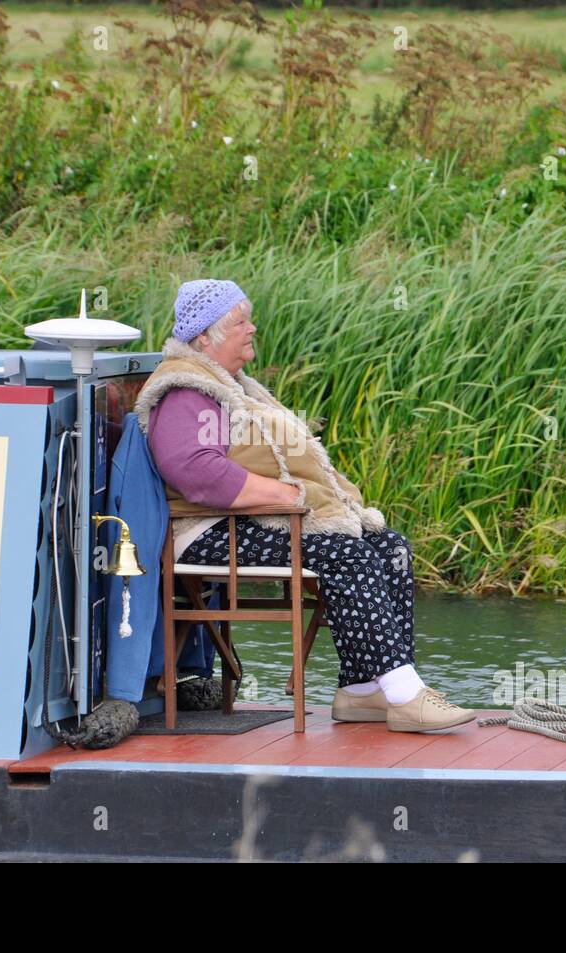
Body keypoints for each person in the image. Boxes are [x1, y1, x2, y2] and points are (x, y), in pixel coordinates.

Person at [133, 278, 475, 732]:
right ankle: (405, 693)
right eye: (241, 322)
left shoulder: (229, 385)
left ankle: (362, 690)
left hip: (242, 525)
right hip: (204, 533)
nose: (252, 328)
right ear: (204, 337)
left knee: (390, 546)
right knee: (345, 554)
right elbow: (193, 471)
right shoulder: (185, 390)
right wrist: (285, 496)